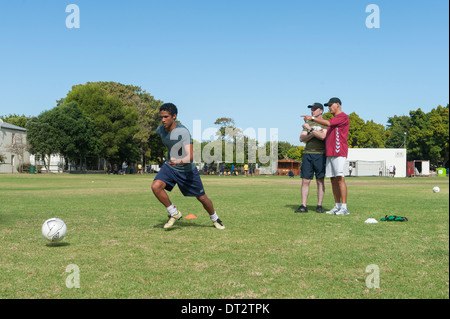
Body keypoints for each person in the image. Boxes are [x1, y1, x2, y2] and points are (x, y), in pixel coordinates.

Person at [151, 103, 225, 230]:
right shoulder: (160, 130)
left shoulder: (183, 132)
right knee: (156, 186)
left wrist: (178, 161)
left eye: (166, 117)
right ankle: (174, 213)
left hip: (186, 170)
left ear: (174, 116)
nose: (163, 120)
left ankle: (215, 218)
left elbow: (190, 157)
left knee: (202, 198)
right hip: (170, 167)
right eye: (161, 117)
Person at [301, 97, 350, 216]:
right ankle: (337, 206)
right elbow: (304, 137)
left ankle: (344, 207)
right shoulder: (333, 119)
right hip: (330, 152)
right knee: (333, 180)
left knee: (340, 178)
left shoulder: (342, 117)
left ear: (337, 105)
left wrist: (312, 120)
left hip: (339, 151)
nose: (329, 108)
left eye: (331, 105)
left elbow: (327, 124)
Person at [295, 103, 328, 213]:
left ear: (321, 111)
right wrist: (314, 133)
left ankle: (319, 206)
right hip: (308, 154)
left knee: (320, 181)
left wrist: (310, 130)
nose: (312, 111)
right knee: (305, 180)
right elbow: (302, 138)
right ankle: (303, 205)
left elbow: (323, 137)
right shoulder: (308, 123)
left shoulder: (325, 123)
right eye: (311, 109)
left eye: (314, 109)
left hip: (320, 154)